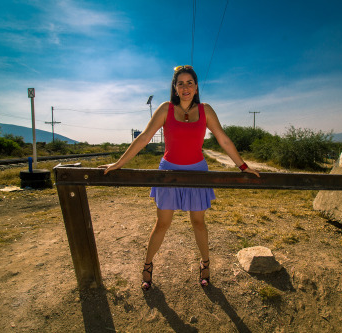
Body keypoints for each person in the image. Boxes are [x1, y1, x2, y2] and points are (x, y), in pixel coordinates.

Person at [98, 65, 259, 290]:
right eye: (180, 83)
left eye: (189, 83)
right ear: (174, 87)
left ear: (196, 87)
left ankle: (205, 265)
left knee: (198, 222)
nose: (185, 87)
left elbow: (223, 139)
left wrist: (243, 166)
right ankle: (147, 265)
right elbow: (144, 138)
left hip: (198, 172)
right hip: (168, 173)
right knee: (162, 223)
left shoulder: (206, 110)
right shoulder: (165, 109)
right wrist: (119, 163)